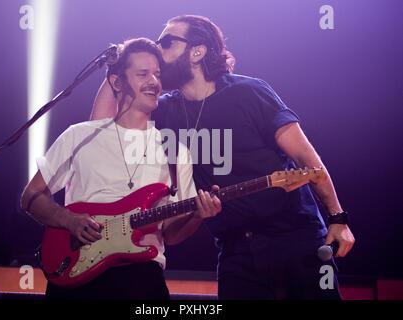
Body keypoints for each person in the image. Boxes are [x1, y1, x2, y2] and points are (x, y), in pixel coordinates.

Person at [90, 16, 355, 299]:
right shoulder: (165, 110)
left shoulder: (249, 92)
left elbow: (305, 157)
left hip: (295, 239)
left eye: (166, 42)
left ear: (197, 51)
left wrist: (338, 218)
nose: (157, 49)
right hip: (235, 252)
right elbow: (101, 131)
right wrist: (119, 66)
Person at [21, 37, 221, 300]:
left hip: (140, 280)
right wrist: (68, 220)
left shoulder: (174, 151)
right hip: (77, 272)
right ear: (117, 82)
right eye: (142, 74)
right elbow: (31, 197)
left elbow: (170, 234)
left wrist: (197, 216)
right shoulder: (79, 136)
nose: (154, 82)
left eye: (157, 75)